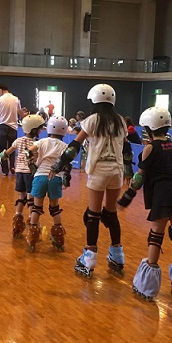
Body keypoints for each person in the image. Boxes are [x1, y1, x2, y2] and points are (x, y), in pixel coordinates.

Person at [118, 107, 172, 300]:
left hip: (163, 195)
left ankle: (147, 287)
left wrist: (126, 198)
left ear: (150, 128)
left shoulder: (149, 148)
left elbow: (139, 177)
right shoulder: (171, 145)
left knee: (156, 235)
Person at [50, 84, 130, 278]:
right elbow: (127, 150)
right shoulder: (120, 120)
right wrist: (128, 170)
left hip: (98, 171)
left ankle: (89, 257)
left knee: (93, 215)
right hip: (116, 172)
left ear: (94, 100)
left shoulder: (92, 120)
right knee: (111, 215)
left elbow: (74, 146)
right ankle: (117, 255)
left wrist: (58, 165)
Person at [0, 114, 45, 238]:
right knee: (30, 198)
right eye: (39, 128)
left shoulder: (18, 140)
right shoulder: (37, 143)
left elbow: (7, 153)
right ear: (33, 129)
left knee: (21, 197)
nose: (40, 131)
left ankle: (17, 222)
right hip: (30, 173)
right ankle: (31, 223)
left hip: (19, 172)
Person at [26, 116, 71, 252]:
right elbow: (67, 164)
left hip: (40, 176)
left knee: (37, 207)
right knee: (54, 208)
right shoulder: (65, 146)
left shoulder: (42, 141)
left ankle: (32, 237)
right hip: (55, 177)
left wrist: (32, 165)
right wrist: (66, 178)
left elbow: (28, 151)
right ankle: (58, 238)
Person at [0, 84, 26, 176]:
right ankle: (12, 166)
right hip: (13, 127)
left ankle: (5, 170)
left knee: (3, 149)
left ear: (1, 90)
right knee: (12, 148)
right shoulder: (16, 99)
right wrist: (25, 116)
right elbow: (20, 112)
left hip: (3, 126)